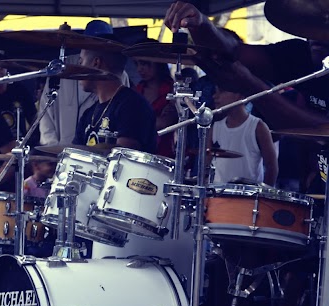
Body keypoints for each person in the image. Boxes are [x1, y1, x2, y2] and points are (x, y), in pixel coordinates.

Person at [164, 2, 329, 129]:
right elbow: (234, 51)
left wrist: (251, 86)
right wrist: (201, 25)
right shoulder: (300, 54)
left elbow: (321, 127)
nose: (317, 37)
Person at [38, 20, 130, 147]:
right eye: (91, 42)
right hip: (60, 149)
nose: (95, 48)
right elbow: (46, 110)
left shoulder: (121, 75)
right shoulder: (62, 67)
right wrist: (51, 146)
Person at [72, 45, 157, 153]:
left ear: (96, 63)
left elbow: (124, 157)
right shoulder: (89, 113)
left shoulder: (133, 105)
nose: (78, 69)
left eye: (81, 62)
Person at [208, 85, 278, 186]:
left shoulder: (258, 127)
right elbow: (206, 163)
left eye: (221, 91)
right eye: (215, 91)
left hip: (248, 198)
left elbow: (272, 167)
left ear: (238, 95)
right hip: (217, 196)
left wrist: (265, 195)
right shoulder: (215, 127)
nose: (215, 96)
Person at [0, 48, 38, 144]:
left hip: (19, 144)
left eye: (1, 66)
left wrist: (30, 141)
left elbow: (33, 117)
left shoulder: (19, 89)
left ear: (7, 68)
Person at [134, 49, 178, 157]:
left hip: (163, 155)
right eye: (137, 64)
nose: (140, 69)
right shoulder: (137, 90)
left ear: (159, 62)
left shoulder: (172, 90)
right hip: (136, 153)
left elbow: (164, 123)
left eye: (145, 63)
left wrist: (134, 121)